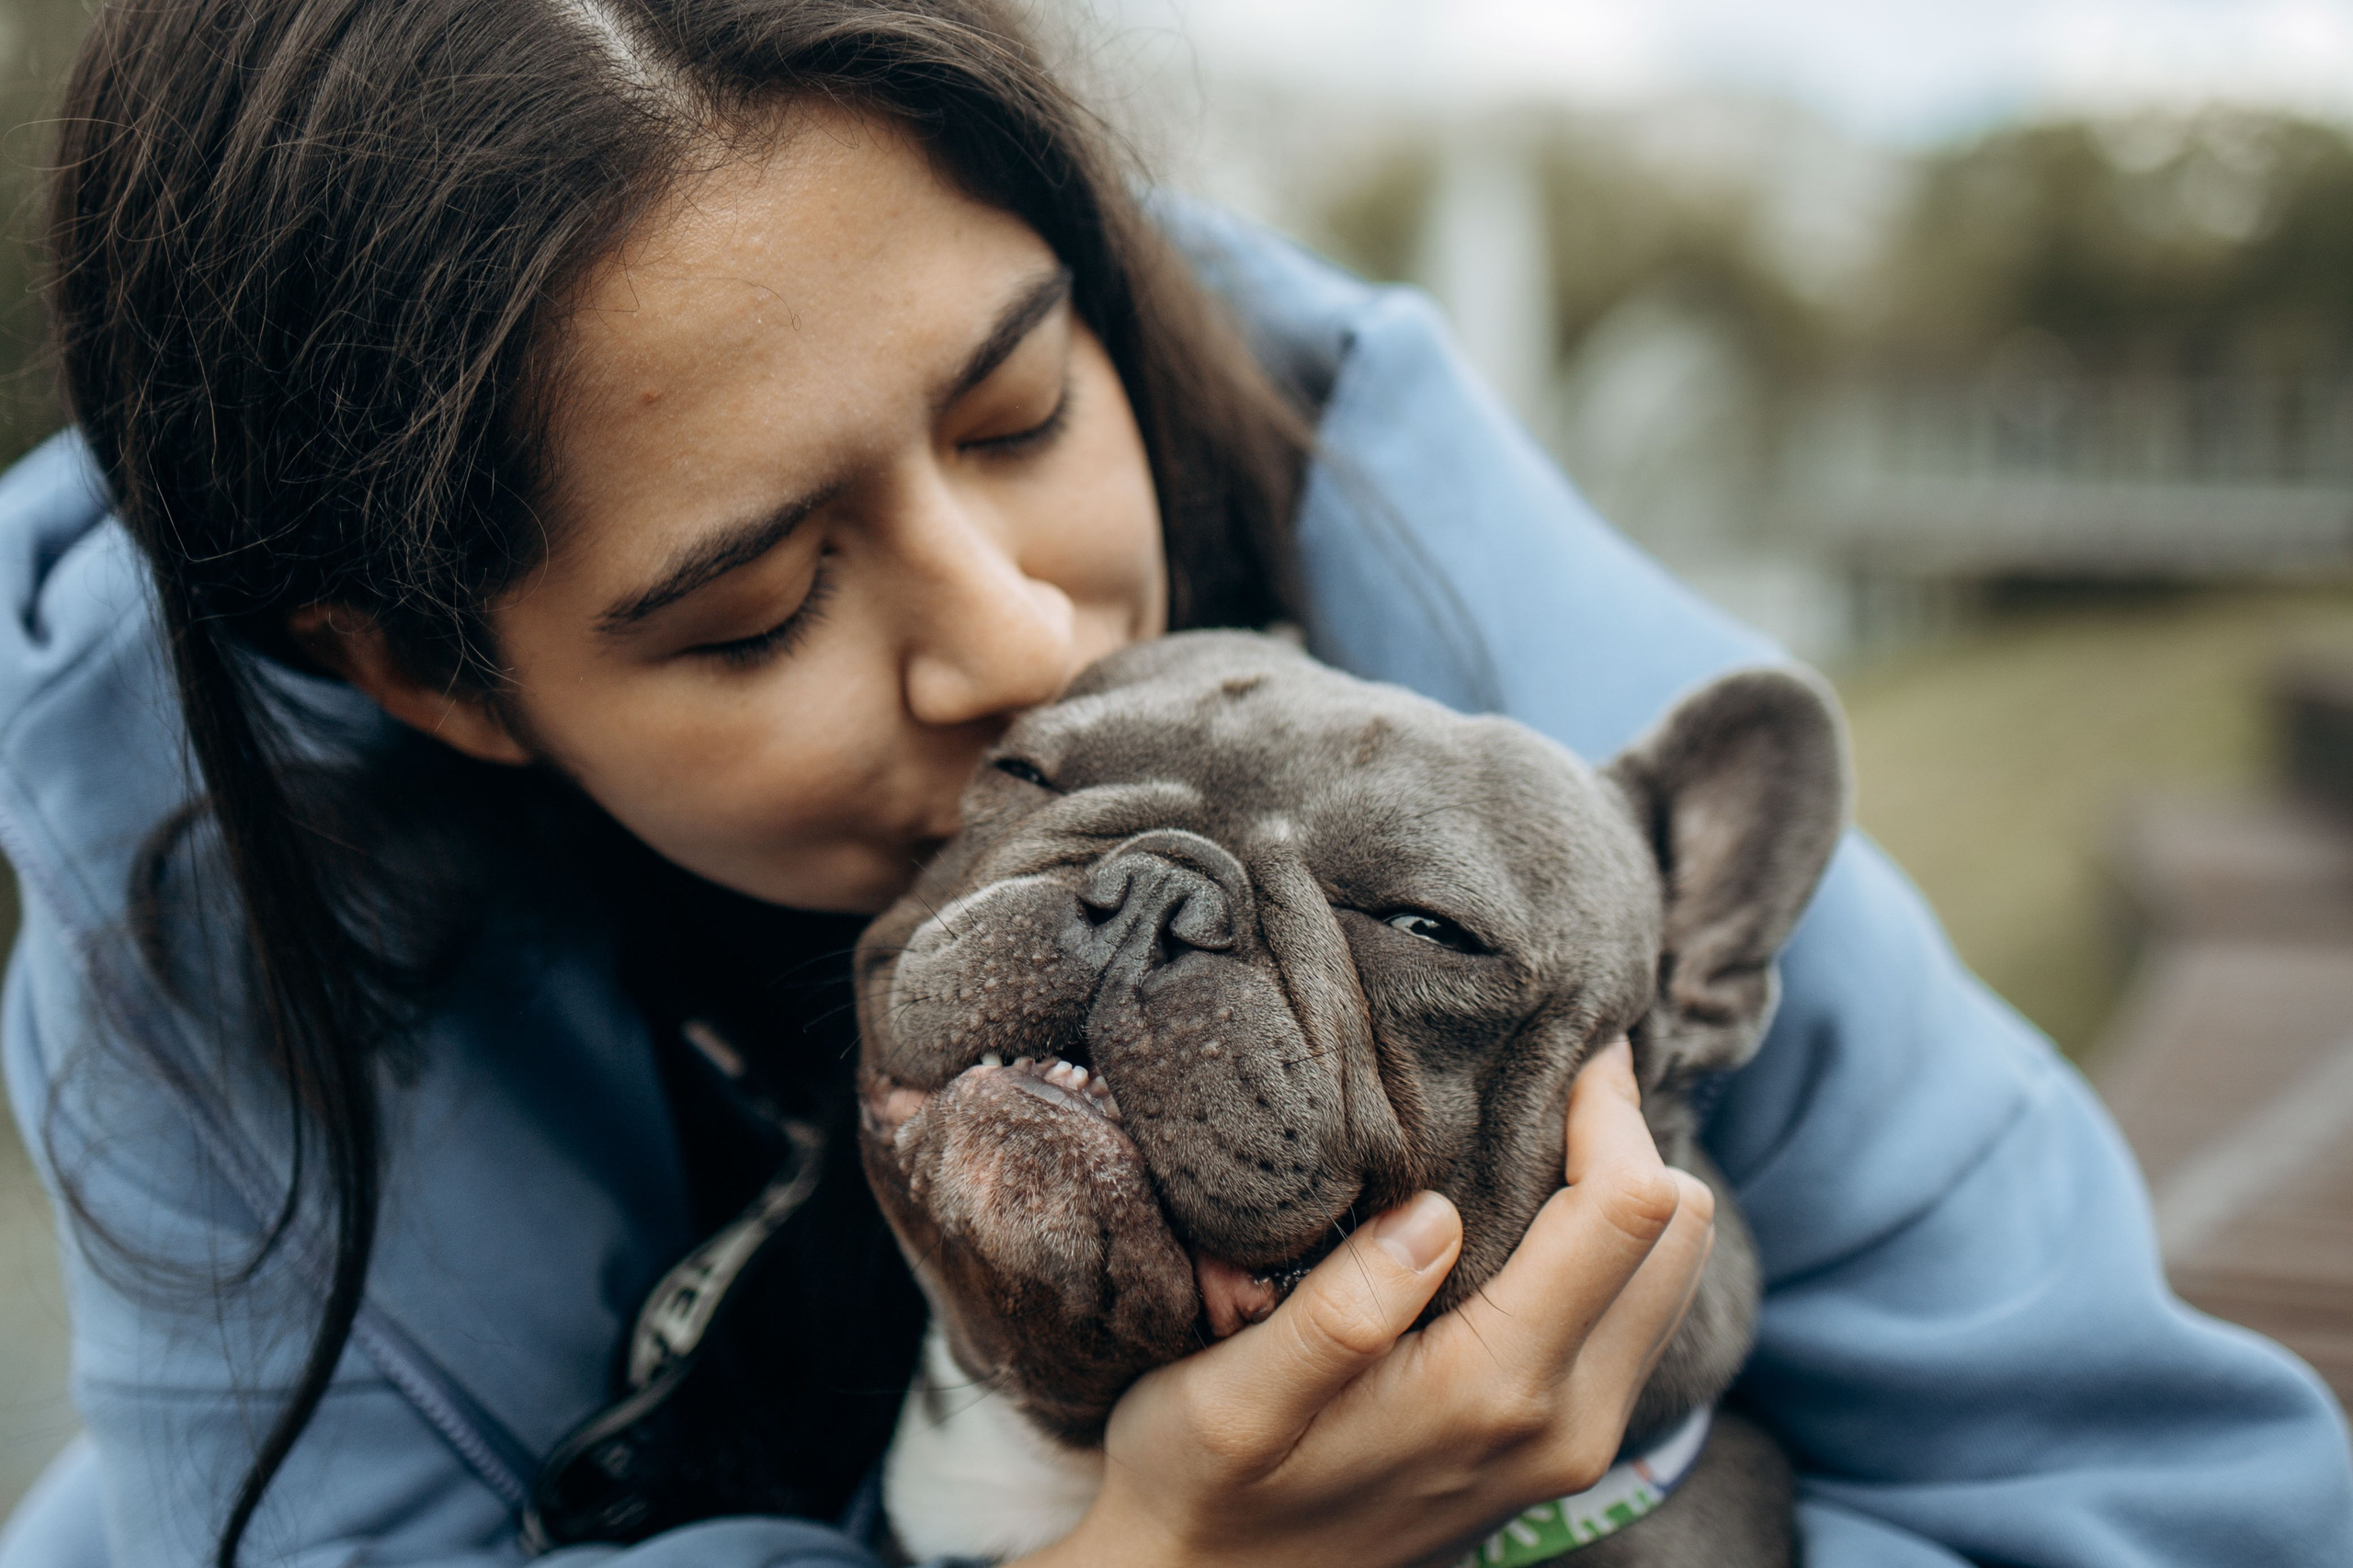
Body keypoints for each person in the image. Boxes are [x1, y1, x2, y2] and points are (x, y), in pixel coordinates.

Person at [0, 1, 2346, 1564]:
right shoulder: (195, 891)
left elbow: (2170, 1495)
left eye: (1020, 413)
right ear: (429, 680)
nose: (1020, 634)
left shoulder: (1522, 722)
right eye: (753, 607)